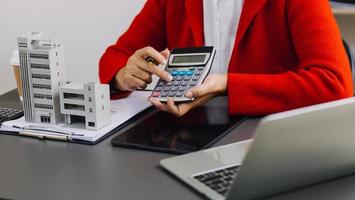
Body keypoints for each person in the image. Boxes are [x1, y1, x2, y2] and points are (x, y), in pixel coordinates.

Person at [99, 0, 353, 117]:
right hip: (188, 140)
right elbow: (114, 58)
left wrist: (227, 84)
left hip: (269, 139)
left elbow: (335, 84)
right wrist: (124, 75)